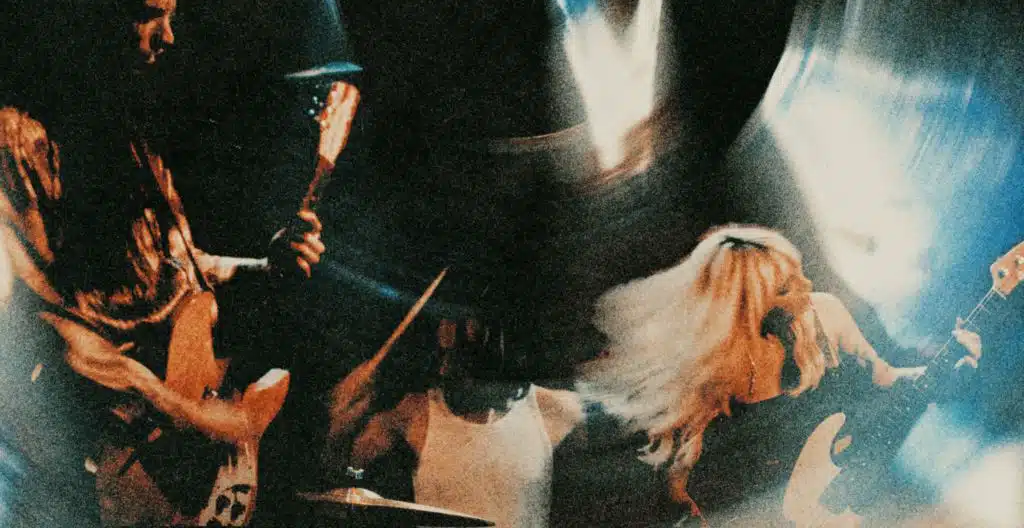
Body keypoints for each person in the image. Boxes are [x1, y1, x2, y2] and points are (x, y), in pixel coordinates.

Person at [0, 0, 360, 526]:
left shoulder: (131, 139)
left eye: (170, 17)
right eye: (149, 16)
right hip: (93, 451)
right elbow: (34, 318)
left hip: (171, 442)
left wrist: (266, 264)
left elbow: (174, 270)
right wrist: (171, 407)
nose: (168, 37)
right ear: (91, 19)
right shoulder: (21, 138)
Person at [580, 224, 982, 526]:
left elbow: (885, 374)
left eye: (799, 273)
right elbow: (682, 484)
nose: (806, 286)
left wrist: (941, 366)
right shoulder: (712, 368)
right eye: (788, 287)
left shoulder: (824, 315)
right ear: (749, 305)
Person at [326, 315, 583, 528]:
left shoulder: (552, 409)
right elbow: (350, 474)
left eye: (463, 350)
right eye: (445, 352)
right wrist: (339, 427)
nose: (444, 366)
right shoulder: (414, 413)